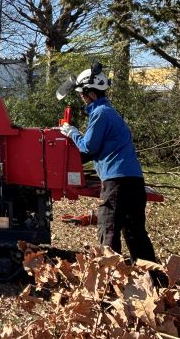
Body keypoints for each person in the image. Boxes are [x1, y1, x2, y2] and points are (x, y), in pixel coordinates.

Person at [59, 64, 156, 262]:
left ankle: (110, 274)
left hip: (117, 181)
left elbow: (88, 147)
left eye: (82, 95)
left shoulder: (100, 113)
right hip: (134, 179)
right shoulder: (111, 113)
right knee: (135, 232)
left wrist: (72, 132)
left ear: (91, 94)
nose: (82, 99)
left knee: (108, 227)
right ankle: (153, 274)